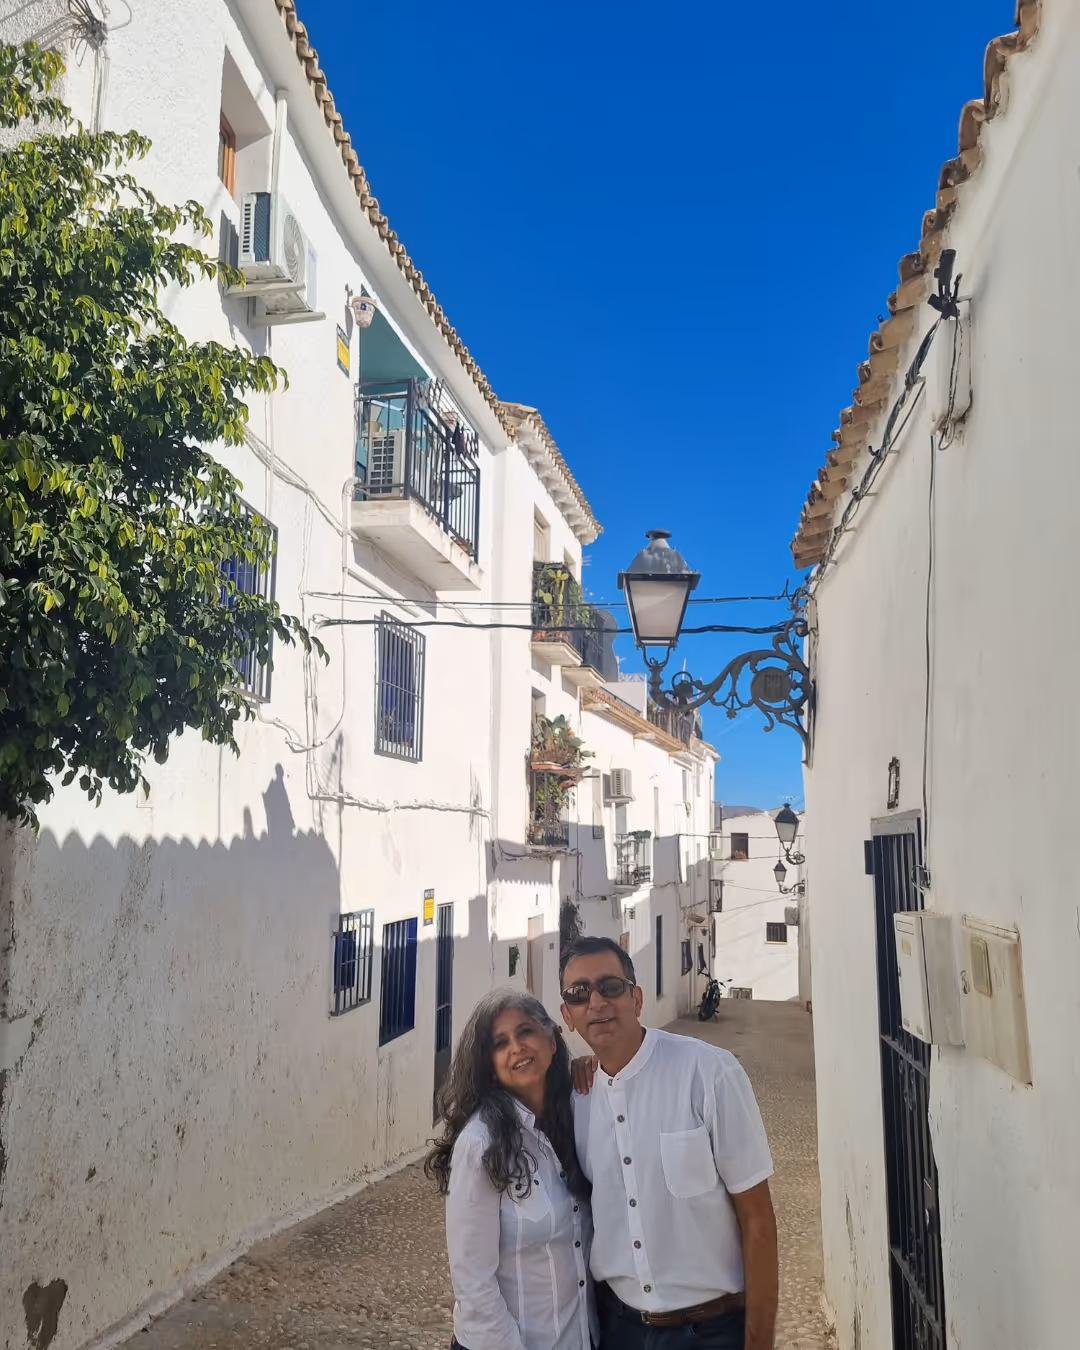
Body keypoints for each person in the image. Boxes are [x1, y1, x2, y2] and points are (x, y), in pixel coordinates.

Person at [560, 936, 778, 1350]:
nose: (596, 1002)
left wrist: (759, 1342)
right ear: (567, 1016)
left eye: (610, 986)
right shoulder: (575, 1100)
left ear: (636, 999)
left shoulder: (708, 1072)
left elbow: (758, 1219)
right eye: (579, 993)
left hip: (712, 1333)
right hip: (619, 1331)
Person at [426, 988, 598, 1350]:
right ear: (489, 1065)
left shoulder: (580, 1114)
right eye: (500, 1043)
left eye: (525, 1032)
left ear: (551, 1039)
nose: (516, 1048)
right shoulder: (480, 1144)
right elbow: (473, 1282)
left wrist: (594, 1068)